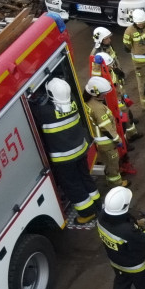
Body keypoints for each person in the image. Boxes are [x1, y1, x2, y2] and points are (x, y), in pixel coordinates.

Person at [31, 77, 100, 223]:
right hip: (80, 150)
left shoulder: (44, 113)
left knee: (73, 184)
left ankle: (87, 213)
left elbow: (32, 109)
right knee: (84, 177)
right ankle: (97, 204)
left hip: (64, 159)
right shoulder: (73, 101)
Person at [84, 76, 127, 189]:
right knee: (112, 163)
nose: (105, 96)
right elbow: (106, 128)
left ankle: (112, 179)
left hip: (100, 141)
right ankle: (116, 184)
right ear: (95, 93)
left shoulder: (89, 102)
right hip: (106, 142)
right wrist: (117, 139)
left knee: (108, 162)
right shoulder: (98, 108)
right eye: (103, 94)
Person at [90, 49, 140, 143]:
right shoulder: (100, 76)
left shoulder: (111, 71)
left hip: (120, 98)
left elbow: (117, 85)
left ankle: (133, 134)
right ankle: (125, 142)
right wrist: (96, 65)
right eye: (109, 65)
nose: (112, 66)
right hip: (113, 103)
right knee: (121, 124)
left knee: (127, 117)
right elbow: (94, 77)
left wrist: (124, 94)